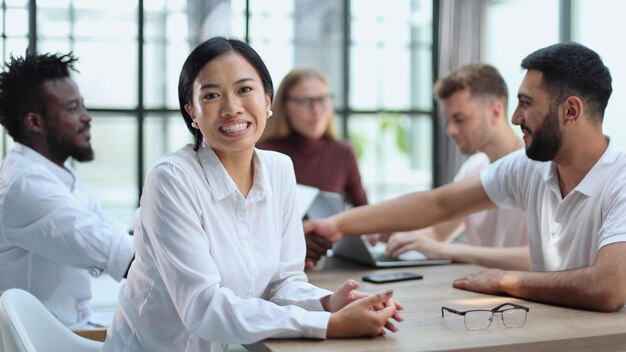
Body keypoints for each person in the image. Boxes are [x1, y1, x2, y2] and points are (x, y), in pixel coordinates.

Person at [103, 37, 402, 352]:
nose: (232, 108)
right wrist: (329, 325)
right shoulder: (172, 179)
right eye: (212, 95)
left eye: (245, 90)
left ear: (268, 100)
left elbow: (282, 282)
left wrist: (326, 303)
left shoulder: (279, 169)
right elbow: (202, 308)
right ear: (192, 111)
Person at [304, 42, 626, 312]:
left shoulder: (621, 179)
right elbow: (439, 204)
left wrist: (504, 280)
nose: (516, 118)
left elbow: (607, 287)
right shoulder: (530, 167)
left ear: (570, 111)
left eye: (526, 104)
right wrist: (337, 225)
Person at [0, 52, 134, 329]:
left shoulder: (58, 173)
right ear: (35, 122)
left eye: (83, 106)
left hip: (71, 330)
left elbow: (112, 232)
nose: (87, 118)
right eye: (73, 109)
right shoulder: (25, 187)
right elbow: (119, 253)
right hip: (41, 342)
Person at [383, 63, 529, 271]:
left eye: (459, 119)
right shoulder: (474, 167)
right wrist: (398, 236)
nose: (450, 130)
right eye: (448, 120)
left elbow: (537, 258)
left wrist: (445, 250)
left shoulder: (536, 168)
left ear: (495, 111)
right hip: (486, 290)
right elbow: (438, 233)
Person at [257, 67, 367, 207]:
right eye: (304, 101)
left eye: (322, 99)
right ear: (284, 107)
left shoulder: (342, 152)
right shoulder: (262, 152)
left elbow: (363, 210)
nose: (316, 110)